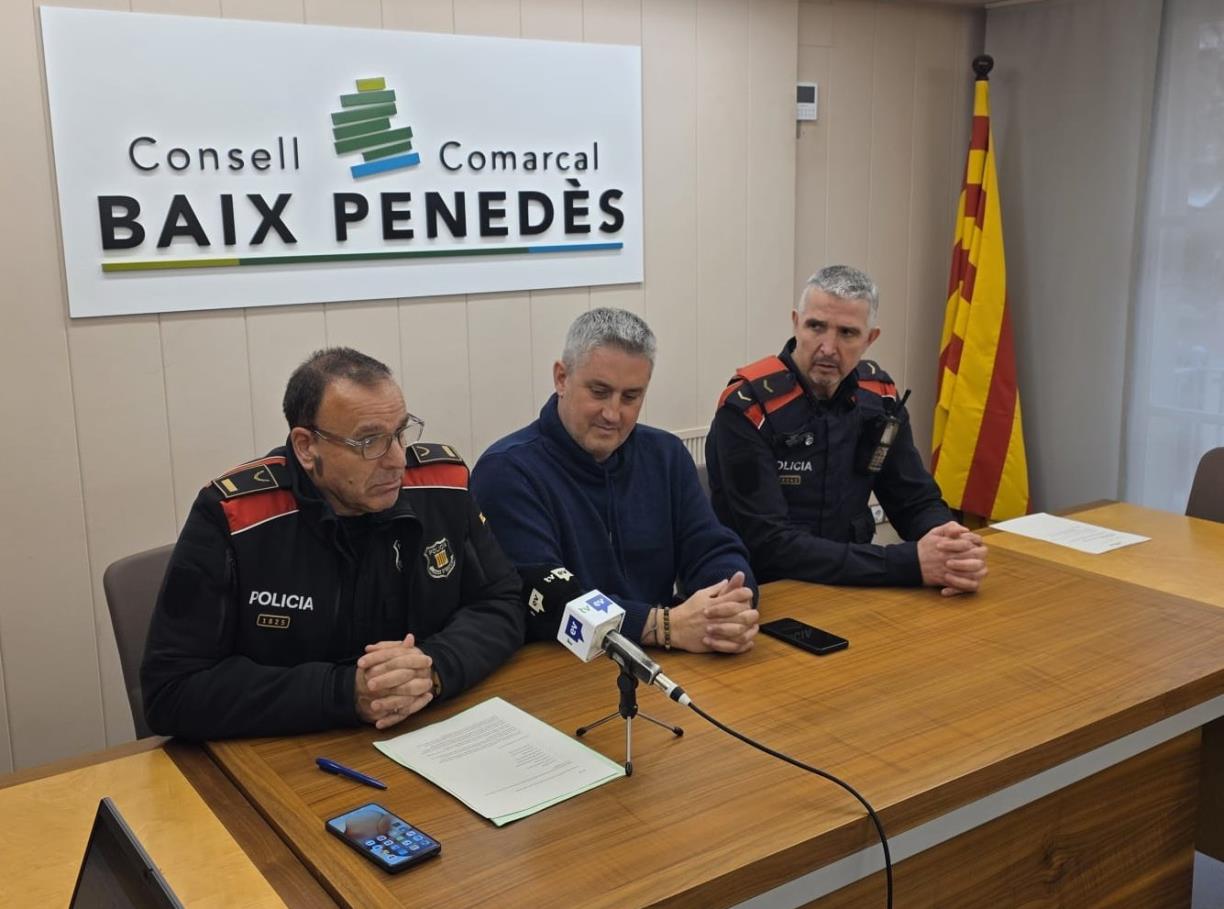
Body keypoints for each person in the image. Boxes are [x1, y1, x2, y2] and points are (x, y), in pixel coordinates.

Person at [141, 348, 524, 739]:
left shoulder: (442, 485)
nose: (397, 460)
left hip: (426, 731)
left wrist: (434, 667)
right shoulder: (234, 516)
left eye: (400, 433)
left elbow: (501, 601)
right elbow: (172, 691)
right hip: (287, 751)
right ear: (306, 447)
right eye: (369, 441)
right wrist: (344, 692)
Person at [471, 308, 759, 654]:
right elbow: (545, 599)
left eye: (630, 397)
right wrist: (660, 625)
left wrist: (728, 604)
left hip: (666, 654)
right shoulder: (505, 472)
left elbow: (712, 547)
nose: (612, 414)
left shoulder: (666, 454)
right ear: (561, 378)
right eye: (599, 392)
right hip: (561, 666)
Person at [706, 265, 988, 594]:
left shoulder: (879, 397)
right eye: (816, 326)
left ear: (870, 338)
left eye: (847, 333)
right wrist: (909, 564)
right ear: (796, 322)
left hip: (856, 584)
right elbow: (771, 545)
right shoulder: (748, 408)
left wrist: (950, 546)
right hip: (765, 592)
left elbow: (914, 500)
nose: (828, 347)